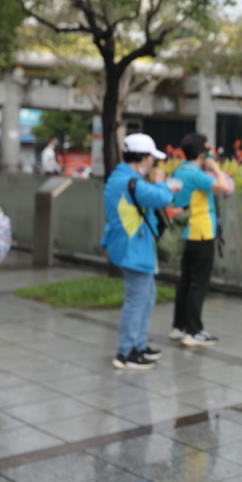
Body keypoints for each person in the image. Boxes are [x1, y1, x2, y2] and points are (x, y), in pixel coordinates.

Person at [101, 133, 179, 370]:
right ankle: (126, 352)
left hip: (132, 246)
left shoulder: (122, 177)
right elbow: (161, 197)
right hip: (134, 248)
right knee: (137, 300)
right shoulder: (130, 181)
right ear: (143, 158)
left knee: (147, 296)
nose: (154, 163)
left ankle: (139, 345)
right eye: (152, 158)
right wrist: (163, 181)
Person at [169, 132, 229, 347]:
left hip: (187, 232)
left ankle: (179, 326)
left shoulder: (180, 170)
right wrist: (215, 168)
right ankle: (194, 331)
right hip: (202, 232)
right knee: (198, 284)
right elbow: (224, 187)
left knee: (185, 281)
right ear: (202, 152)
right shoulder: (197, 174)